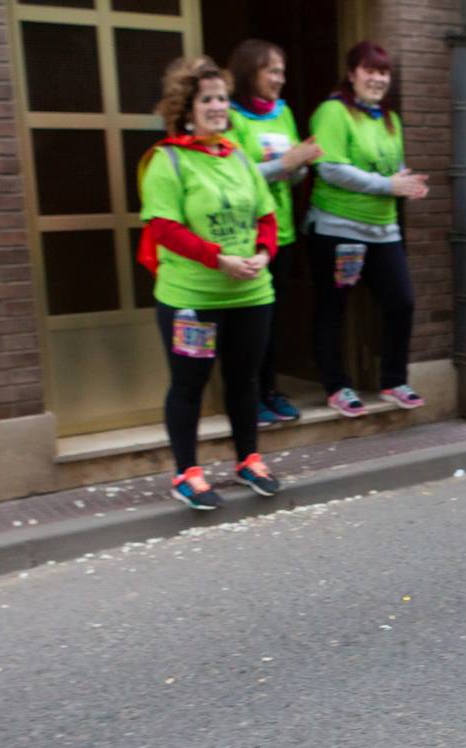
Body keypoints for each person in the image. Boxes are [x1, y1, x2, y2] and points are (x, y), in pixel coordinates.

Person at [136, 56, 282, 509]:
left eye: (222, 98)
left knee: (244, 381)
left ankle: (248, 459)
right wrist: (219, 260)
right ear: (187, 108)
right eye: (207, 99)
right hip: (193, 298)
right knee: (189, 384)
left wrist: (261, 253)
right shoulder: (167, 161)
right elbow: (164, 228)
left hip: (251, 293)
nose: (219, 106)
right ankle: (187, 473)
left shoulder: (237, 156)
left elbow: (267, 215)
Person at [306, 40, 430, 417]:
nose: (377, 79)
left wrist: (406, 182)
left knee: (402, 302)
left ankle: (393, 379)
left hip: (382, 230)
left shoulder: (390, 120)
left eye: (383, 72)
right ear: (352, 74)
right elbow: (330, 168)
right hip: (337, 230)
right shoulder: (333, 112)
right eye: (370, 70)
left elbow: (389, 169)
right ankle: (336, 386)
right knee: (334, 307)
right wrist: (388, 186)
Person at [227, 38, 323, 427]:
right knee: (249, 325)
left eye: (282, 71)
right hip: (243, 236)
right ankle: (249, 396)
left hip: (280, 232)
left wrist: (300, 163)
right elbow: (236, 175)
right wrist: (286, 162)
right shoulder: (231, 118)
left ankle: (270, 390)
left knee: (272, 321)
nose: (281, 80)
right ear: (251, 73)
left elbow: (293, 173)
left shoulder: (282, 113)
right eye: (273, 71)